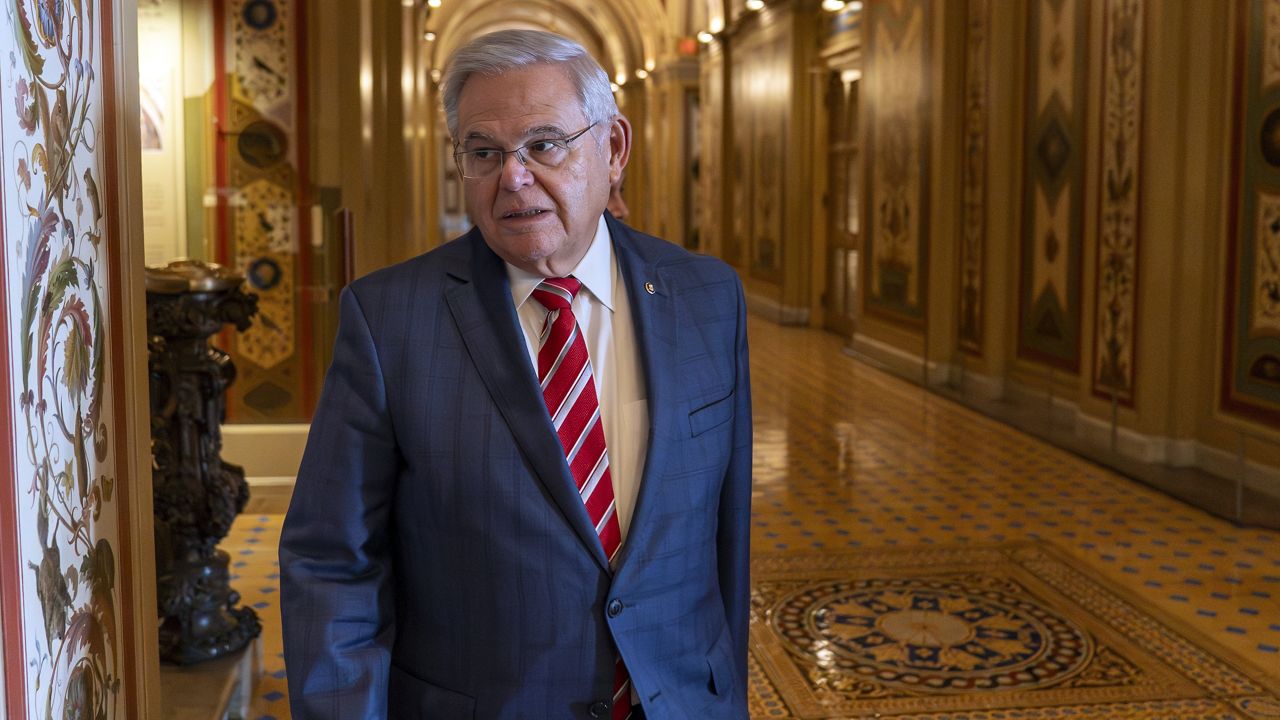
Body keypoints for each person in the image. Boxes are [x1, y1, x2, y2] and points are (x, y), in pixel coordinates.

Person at [279, 29, 752, 719]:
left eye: (544, 143)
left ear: (613, 148)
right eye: (485, 153)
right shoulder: (390, 321)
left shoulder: (709, 298)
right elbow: (331, 565)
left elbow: (724, 546)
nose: (515, 177)